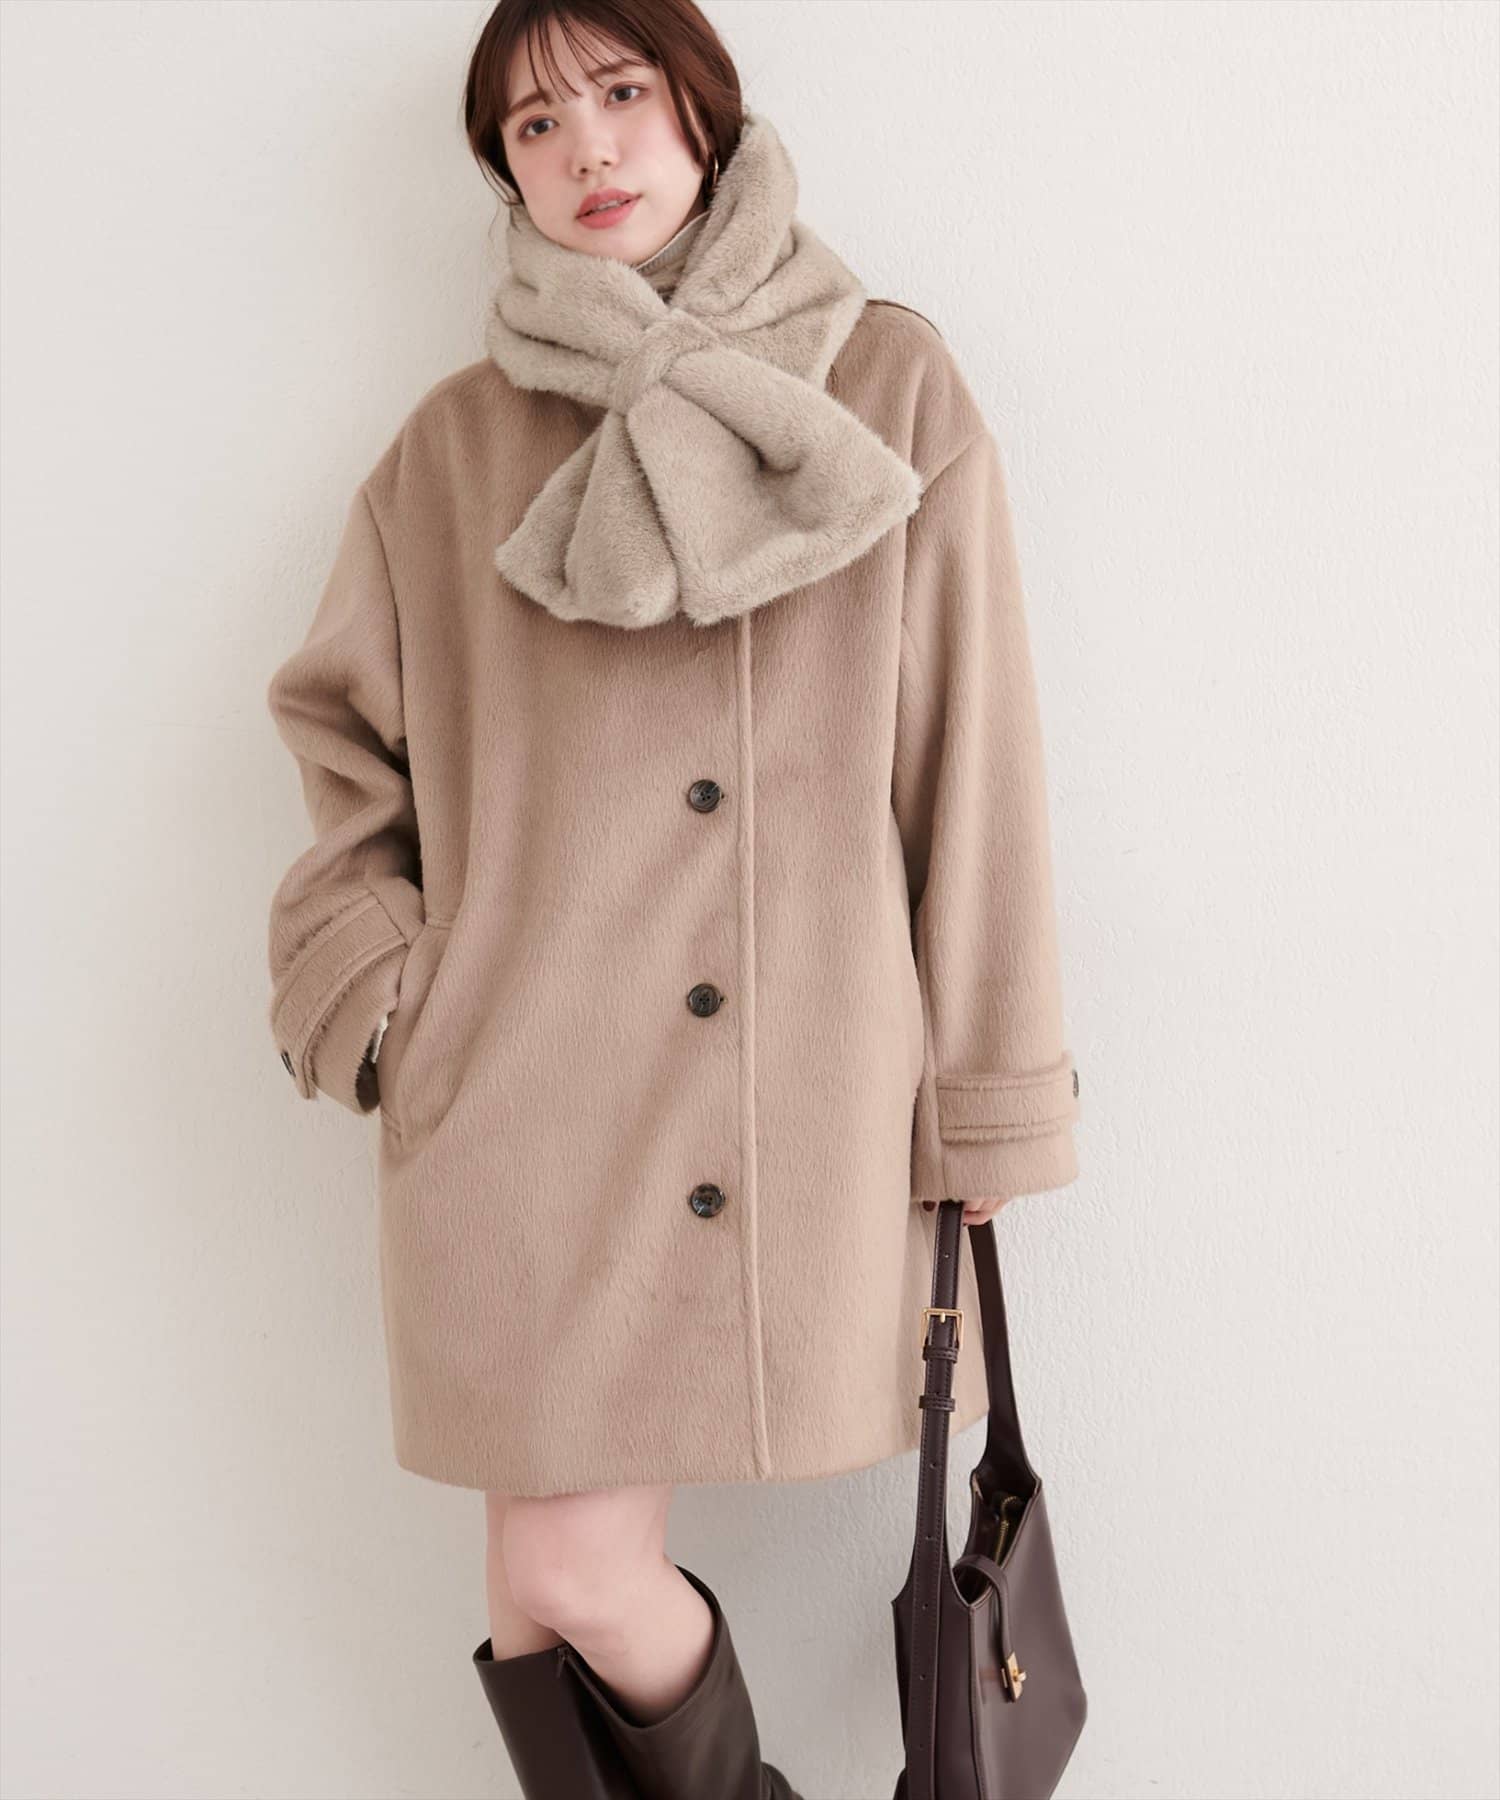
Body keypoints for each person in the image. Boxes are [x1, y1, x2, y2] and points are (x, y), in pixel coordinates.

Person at [263, 1, 1082, 1794]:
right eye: (535, 126)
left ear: (700, 108)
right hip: (520, 1117)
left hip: (786, 1096)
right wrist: (391, 1003)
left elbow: (975, 761)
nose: (588, 151)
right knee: (539, 1594)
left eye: (620, 94)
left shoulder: (884, 381)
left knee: (559, 1579)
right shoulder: (454, 447)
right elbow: (339, 745)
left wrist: (988, 1098)